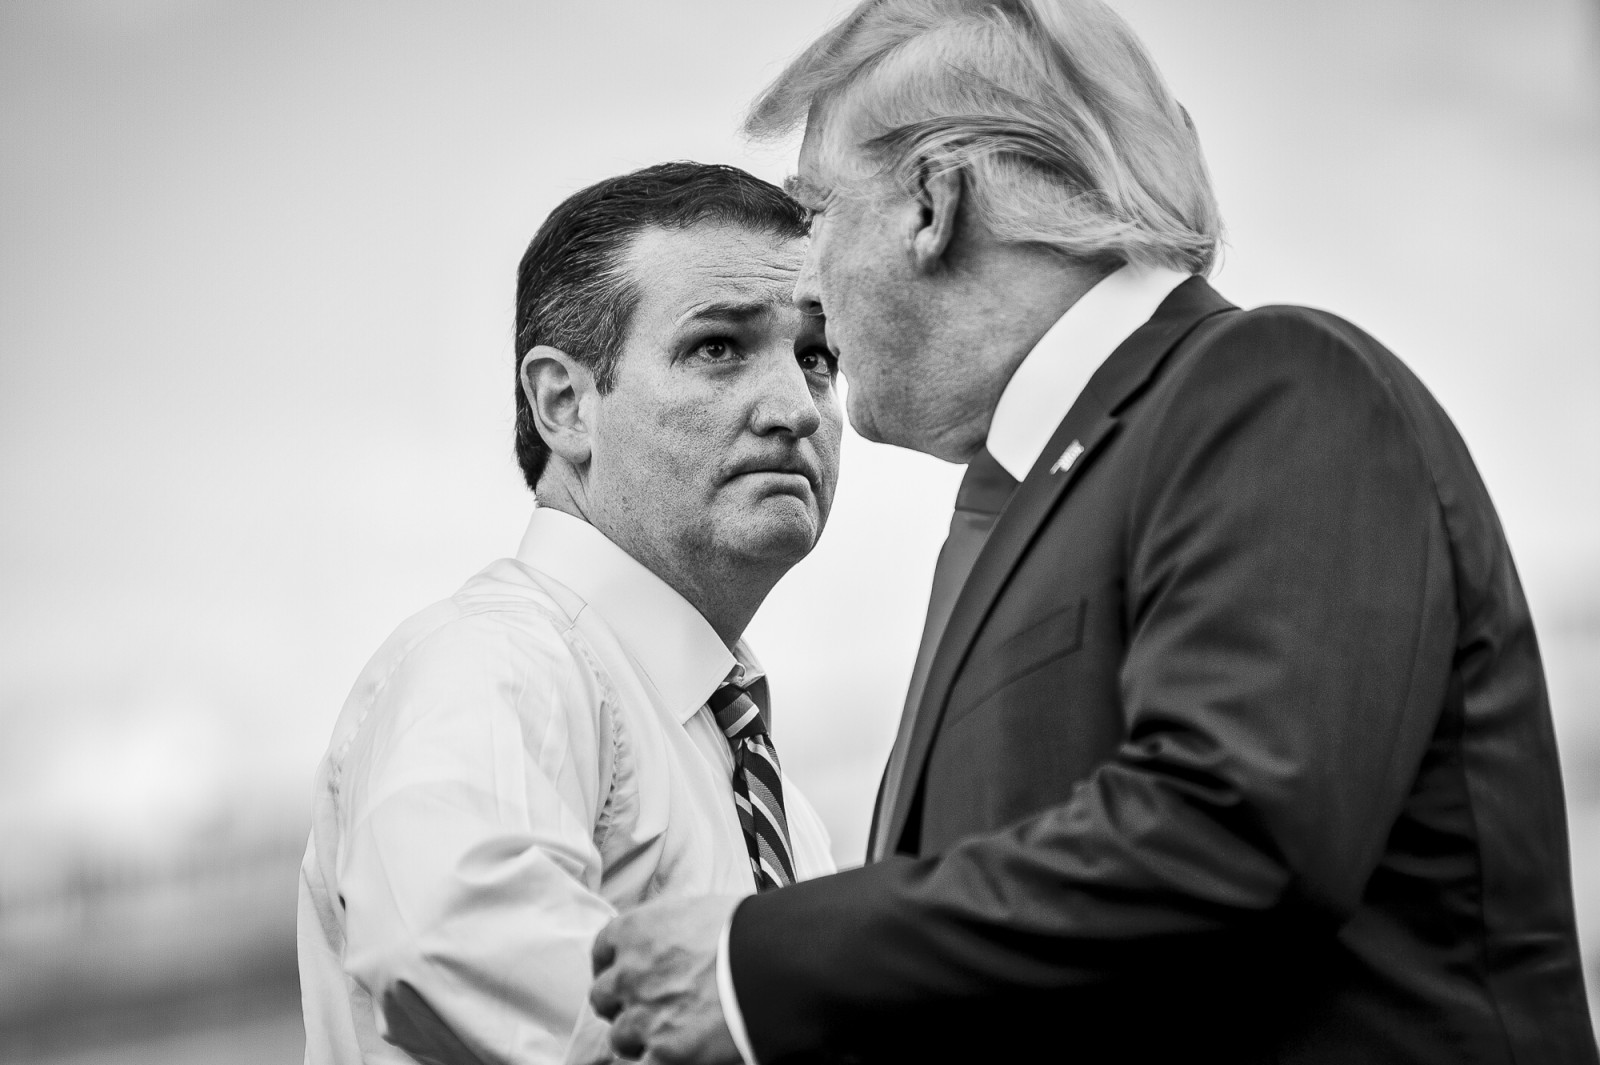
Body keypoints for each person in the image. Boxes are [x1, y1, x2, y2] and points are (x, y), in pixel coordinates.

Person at [586, 4, 1599, 1063]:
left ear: (933, 203)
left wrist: (758, 969)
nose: (803, 283)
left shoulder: (1273, 388)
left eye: (815, 214)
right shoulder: (1022, 506)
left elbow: (1230, 836)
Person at [296, 161, 843, 1065]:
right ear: (565, 404)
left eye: (816, 356)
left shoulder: (744, 758)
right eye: (718, 347)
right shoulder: (496, 664)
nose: (794, 406)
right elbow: (448, 946)